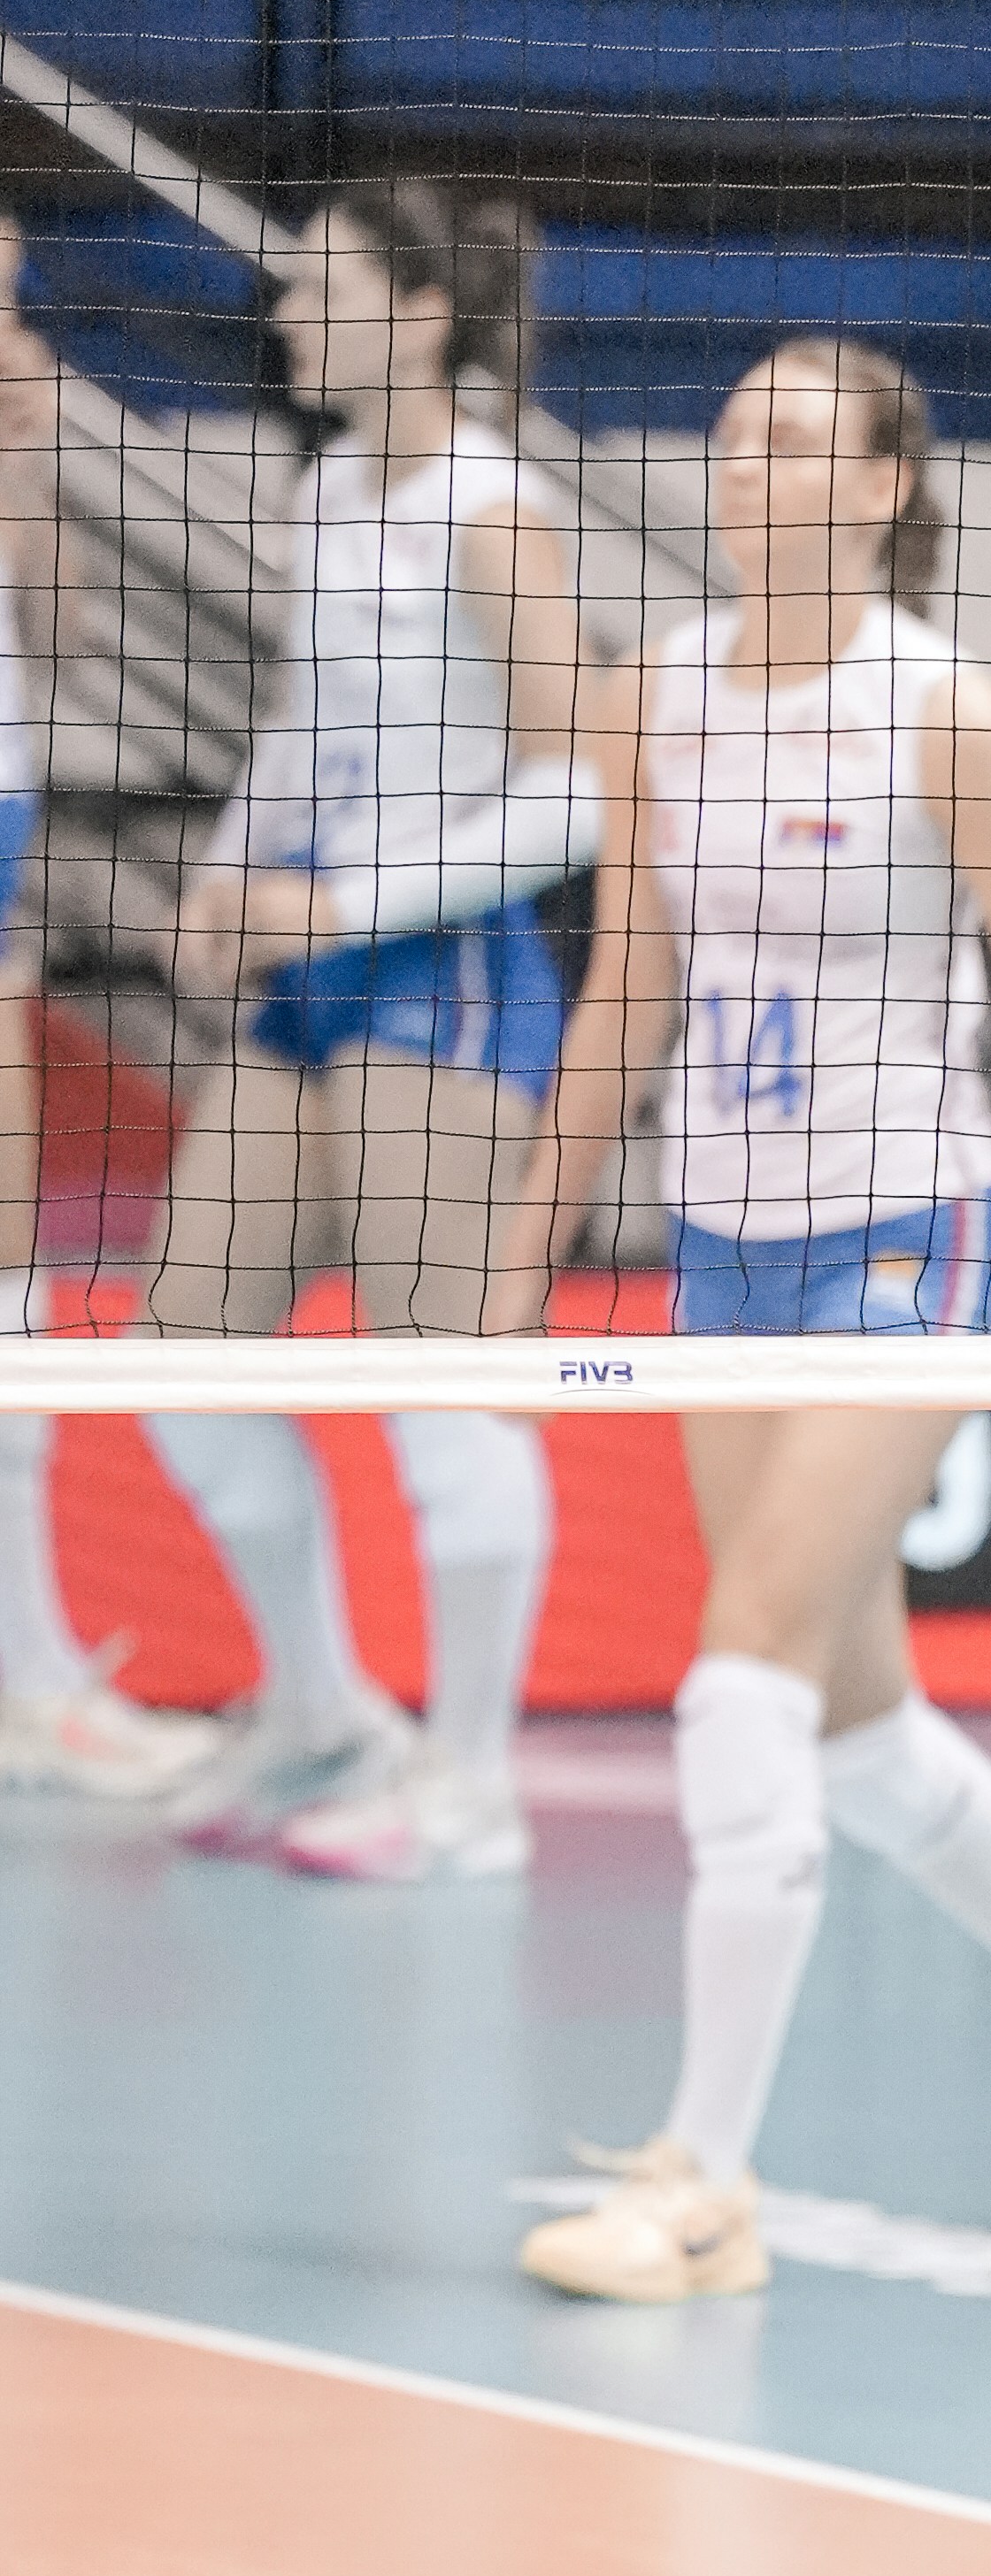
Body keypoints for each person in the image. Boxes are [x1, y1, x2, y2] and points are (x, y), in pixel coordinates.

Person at [508, 339, 991, 2304]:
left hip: (909, 1231)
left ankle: (703, 2183)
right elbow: (628, 982)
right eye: (731, 435)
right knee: (850, 1710)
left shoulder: (942, 717)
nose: (748, 464)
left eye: (797, 443)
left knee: (735, 1669)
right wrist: (519, 1247)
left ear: (887, 490)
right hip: (719, 1237)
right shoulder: (658, 695)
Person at [130, 177, 583, 1879]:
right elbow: (311, 727)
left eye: (317, 286)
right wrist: (224, 881)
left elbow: (571, 798)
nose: (285, 313)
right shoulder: (329, 486)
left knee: (437, 1386)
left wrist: (342, 903)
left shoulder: (497, 511)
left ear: (420, 318)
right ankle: (324, 1712)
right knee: (183, 1366)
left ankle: (474, 1784)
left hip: (447, 971)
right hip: (313, 968)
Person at [0, 218, 201, 1797]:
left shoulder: (19, 398)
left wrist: (21, 457)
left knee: (17, 1295)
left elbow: (54, 643)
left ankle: (37, 1677)